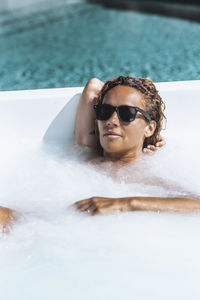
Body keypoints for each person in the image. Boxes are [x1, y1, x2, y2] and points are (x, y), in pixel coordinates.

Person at [0, 76, 200, 231]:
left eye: (126, 113)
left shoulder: (148, 174)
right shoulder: (83, 151)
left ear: (149, 127)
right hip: (35, 223)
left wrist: (125, 203)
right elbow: (94, 86)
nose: (111, 121)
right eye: (104, 111)